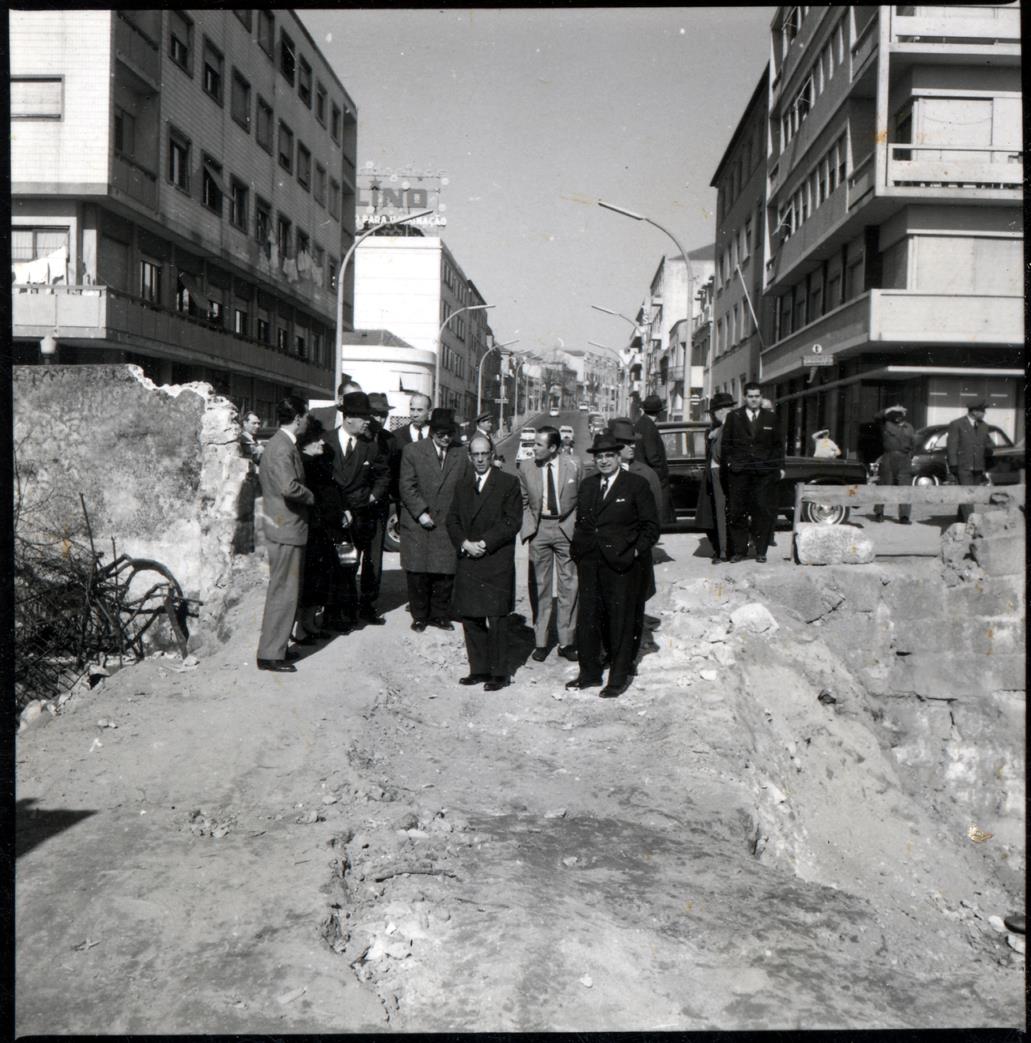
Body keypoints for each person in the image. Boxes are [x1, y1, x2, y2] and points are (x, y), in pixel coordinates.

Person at [567, 432, 659, 699]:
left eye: (609, 456)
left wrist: (634, 552)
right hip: (590, 563)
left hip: (622, 565)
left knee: (620, 622)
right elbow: (583, 523)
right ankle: (590, 674)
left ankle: (618, 679)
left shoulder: (636, 485)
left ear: (619, 457)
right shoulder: (588, 485)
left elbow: (651, 527)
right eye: (599, 456)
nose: (604, 461)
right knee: (589, 619)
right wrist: (578, 550)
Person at [446, 435, 523, 691]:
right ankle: (478, 669)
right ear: (470, 457)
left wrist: (484, 543)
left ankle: (500, 673)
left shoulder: (508, 483)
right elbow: (452, 520)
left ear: (492, 455)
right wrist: (465, 543)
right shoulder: (462, 485)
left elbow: (512, 521)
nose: (480, 459)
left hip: (495, 559)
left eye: (484, 454)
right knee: (470, 616)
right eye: (475, 455)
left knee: (497, 617)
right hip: (469, 557)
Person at [398, 407, 471, 631]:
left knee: (445, 572)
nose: (446, 438)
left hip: (447, 523)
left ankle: (440, 615)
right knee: (418, 572)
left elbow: (466, 487)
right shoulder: (412, 451)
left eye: (450, 433)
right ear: (431, 432)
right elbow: (406, 486)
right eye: (441, 434)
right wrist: (420, 513)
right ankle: (420, 616)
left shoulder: (461, 453)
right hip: (418, 522)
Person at [256, 396, 314, 673]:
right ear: (299, 417)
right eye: (307, 415)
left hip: (284, 526)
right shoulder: (282, 448)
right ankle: (270, 654)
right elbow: (289, 487)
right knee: (284, 592)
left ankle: (275, 648)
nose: (308, 421)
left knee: (284, 591)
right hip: (286, 527)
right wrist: (312, 496)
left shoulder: (281, 444)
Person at [323, 392, 390, 629]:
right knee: (339, 565)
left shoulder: (369, 446)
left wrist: (373, 496)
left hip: (361, 515)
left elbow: (383, 474)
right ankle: (334, 614)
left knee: (354, 564)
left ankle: (350, 613)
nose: (367, 422)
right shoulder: (326, 442)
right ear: (349, 418)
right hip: (336, 517)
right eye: (363, 418)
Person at [518, 426, 580, 663]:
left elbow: (581, 497)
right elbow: (523, 500)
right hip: (540, 530)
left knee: (569, 585)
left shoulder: (574, 464)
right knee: (540, 585)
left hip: (566, 528)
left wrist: (575, 526)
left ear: (553, 448)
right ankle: (541, 641)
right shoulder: (526, 467)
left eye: (538, 445)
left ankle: (567, 641)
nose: (533, 448)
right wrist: (529, 528)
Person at [609, 418, 661, 662]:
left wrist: (640, 546)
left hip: (637, 550)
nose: (632, 447)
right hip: (610, 551)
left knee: (636, 599)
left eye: (633, 443)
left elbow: (655, 515)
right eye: (626, 443)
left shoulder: (646, 473)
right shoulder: (602, 471)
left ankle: (634, 648)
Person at [722, 382, 785, 564]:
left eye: (757, 396)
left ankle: (760, 550)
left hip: (763, 472)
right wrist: (730, 464)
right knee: (737, 511)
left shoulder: (771, 418)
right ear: (745, 397)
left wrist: (779, 467)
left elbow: (778, 445)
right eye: (750, 396)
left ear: (761, 397)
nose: (754, 399)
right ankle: (739, 551)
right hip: (739, 472)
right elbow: (727, 444)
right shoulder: (734, 417)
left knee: (762, 511)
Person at [293, 418, 335, 643]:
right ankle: (301, 628)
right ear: (306, 442)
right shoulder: (303, 464)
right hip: (310, 528)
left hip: (321, 528)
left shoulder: (317, 461)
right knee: (309, 579)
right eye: (317, 439)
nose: (322, 442)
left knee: (318, 578)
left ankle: (309, 623)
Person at [694, 393, 735, 562]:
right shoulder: (715, 428)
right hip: (713, 474)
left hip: (721, 473)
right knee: (713, 513)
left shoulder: (728, 427)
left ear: (722, 411)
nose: (712, 415)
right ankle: (721, 548)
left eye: (714, 411)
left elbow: (719, 455)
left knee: (721, 512)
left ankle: (725, 551)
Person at [947, 401, 994, 522]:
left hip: (978, 466)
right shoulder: (957, 424)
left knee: (970, 495)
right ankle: (970, 521)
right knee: (967, 493)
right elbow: (952, 446)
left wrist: (989, 451)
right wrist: (953, 465)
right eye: (982, 411)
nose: (985, 413)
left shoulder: (984, 426)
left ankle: (961, 519)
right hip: (963, 465)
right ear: (974, 411)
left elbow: (988, 444)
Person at [634, 395, 674, 524]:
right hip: (653, 472)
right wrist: (660, 472)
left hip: (642, 470)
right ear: (659, 412)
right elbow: (652, 455)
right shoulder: (649, 426)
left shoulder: (641, 423)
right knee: (658, 505)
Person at [871, 405, 915, 525]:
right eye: (894, 414)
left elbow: (913, 443)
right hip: (889, 457)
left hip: (904, 459)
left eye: (899, 414)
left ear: (904, 415)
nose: (897, 416)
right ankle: (879, 512)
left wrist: (909, 456)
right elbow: (876, 417)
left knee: (905, 488)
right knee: (884, 485)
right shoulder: (886, 425)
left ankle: (904, 516)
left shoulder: (909, 427)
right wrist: (888, 409)